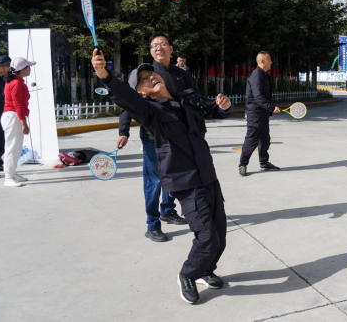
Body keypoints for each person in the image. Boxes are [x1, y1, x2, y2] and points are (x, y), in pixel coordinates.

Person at [92, 50, 232, 304]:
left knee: (220, 236)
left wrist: (224, 106)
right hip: (185, 180)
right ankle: (187, 274)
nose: (150, 77)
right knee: (207, 236)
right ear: (143, 92)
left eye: (151, 73)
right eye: (143, 79)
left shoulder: (187, 98)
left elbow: (212, 110)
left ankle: (205, 270)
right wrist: (104, 74)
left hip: (208, 174)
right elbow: (126, 99)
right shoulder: (150, 111)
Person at [118, 33, 195, 243]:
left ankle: (168, 210)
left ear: (171, 49)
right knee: (154, 181)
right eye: (154, 46)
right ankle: (152, 224)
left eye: (162, 44)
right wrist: (123, 131)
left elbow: (192, 101)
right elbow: (128, 103)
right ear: (151, 51)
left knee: (175, 178)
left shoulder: (182, 74)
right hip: (153, 139)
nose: (158, 48)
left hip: (178, 137)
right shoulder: (145, 75)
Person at [239, 52, 281, 176]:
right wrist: (271, 108)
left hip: (263, 114)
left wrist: (268, 110)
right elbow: (258, 97)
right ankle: (242, 164)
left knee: (265, 140)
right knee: (251, 141)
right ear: (262, 61)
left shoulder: (264, 75)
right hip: (255, 114)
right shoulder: (257, 75)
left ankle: (264, 163)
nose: (271, 62)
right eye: (269, 60)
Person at [0, 57, 34, 187]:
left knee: (16, 147)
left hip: (12, 116)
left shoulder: (15, 81)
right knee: (12, 148)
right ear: (23, 69)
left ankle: (12, 173)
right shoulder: (17, 83)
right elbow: (17, 104)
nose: (30, 69)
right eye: (28, 67)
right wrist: (23, 123)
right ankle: (8, 177)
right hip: (13, 116)